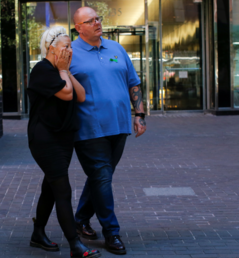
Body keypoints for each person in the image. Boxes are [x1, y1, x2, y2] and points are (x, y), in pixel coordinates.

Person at [70, 7, 147, 255]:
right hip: (89, 127)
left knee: (101, 177)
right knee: (102, 177)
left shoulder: (116, 48)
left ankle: (80, 219)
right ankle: (111, 233)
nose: (96, 23)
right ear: (78, 27)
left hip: (119, 125)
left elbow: (133, 83)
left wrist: (140, 115)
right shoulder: (69, 52)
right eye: (89, 20)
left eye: (98, 18)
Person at [27, 26, 101, 258]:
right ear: (51, 49)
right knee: (63, 190)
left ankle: (38, 234)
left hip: (63, 137)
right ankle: (75, 245)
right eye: (66, 46)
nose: (70, 50)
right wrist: (63, 71)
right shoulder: (42, 70)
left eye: (71, 46)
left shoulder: (63, 70)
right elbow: (67, 94)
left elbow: (81, 95)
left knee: (50, 188)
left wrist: (66, 70)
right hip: (45, 139)